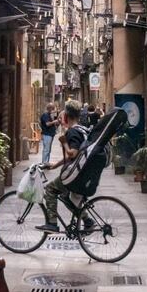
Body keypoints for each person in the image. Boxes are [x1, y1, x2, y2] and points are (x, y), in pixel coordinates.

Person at [36, 100, 94, 233]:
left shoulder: (73, 132)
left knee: (50, 190)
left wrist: (64, 142)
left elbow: (72, 153)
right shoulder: (81, 129)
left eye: (62, 117)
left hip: (74, 174)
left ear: (67, 116)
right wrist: (55, 165)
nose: (61, 120)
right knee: (65, 196)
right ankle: (87, 221)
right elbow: (71, 156)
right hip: (81, 173)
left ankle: (52, 223)